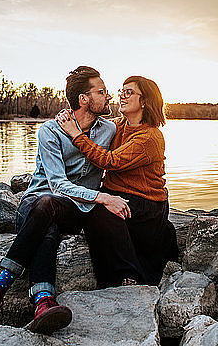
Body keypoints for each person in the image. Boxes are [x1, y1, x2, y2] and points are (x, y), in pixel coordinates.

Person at [0, 66, 131, 334]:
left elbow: (134, 128)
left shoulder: (108, 129)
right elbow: (57, 185)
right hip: (39, 202)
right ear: (83, 99)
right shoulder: (50, 131)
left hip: (75, 209)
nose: (108, 96)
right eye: (101, 91)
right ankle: (43, 302)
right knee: (46, 215)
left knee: (50, 215)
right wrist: (103, 197)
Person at [56, 75, 178, 288]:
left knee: (99, 213)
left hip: (145, 202)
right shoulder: (119, 125)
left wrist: (75, 135)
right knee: (94, 209)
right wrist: (71, 118)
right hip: (118, 193)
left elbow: (109, 161)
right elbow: (91, 124)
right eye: (122, 91)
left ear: (144, 101)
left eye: (129, 92)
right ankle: (112, 277)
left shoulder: (149, 137)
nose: (121, 95)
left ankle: (127, 276)